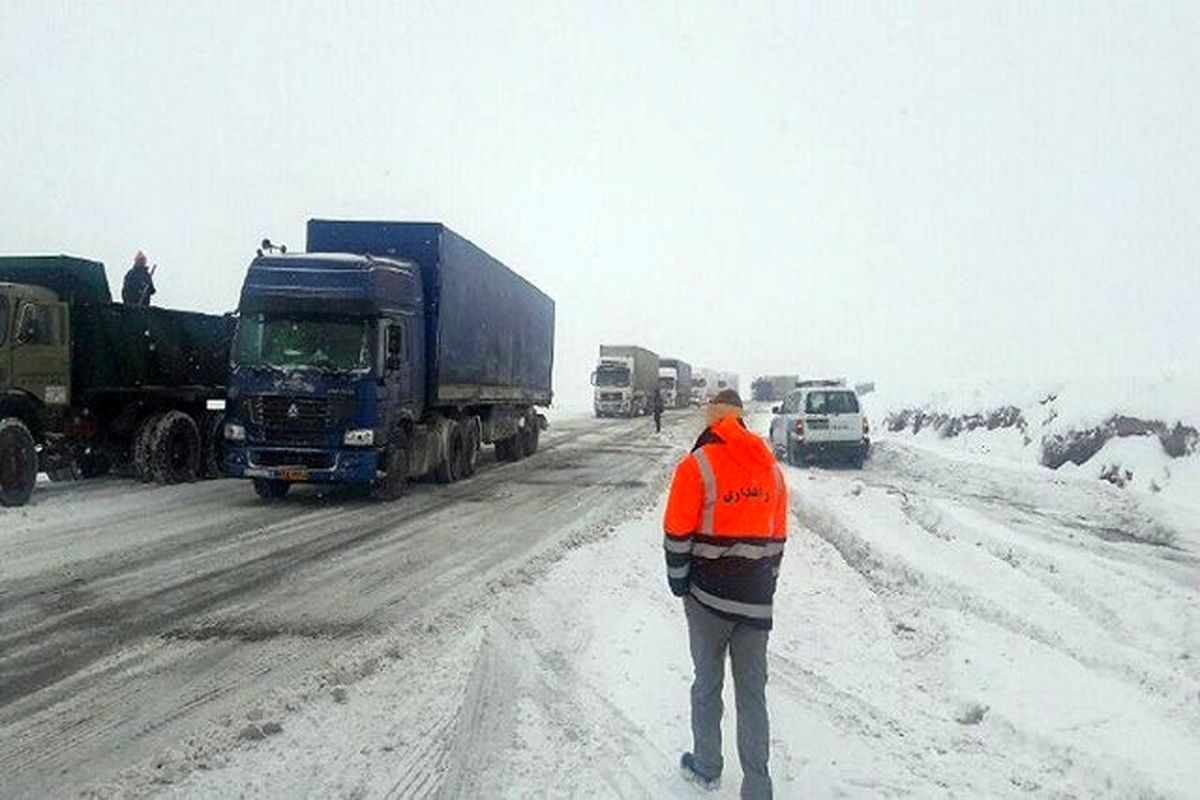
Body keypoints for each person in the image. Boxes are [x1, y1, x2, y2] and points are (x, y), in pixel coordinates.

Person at [663, 389, 788, 799]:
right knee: (752, 694)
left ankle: (707, 766)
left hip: (707, 601)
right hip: (755, 603)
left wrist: (681, 584)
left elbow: (677, 534)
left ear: (712, 418)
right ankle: (758, 787)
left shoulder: (697, 464)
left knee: (707, 683)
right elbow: (777, 539)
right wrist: (765, 582)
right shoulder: (769, 467)